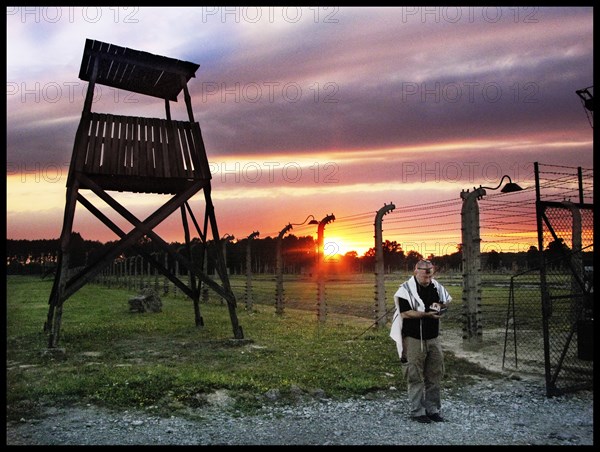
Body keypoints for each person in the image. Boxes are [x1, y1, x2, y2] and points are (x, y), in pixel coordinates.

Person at [389, 259, 452, 424]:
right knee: (415, 374)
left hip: (433, 337)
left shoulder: (436, 287)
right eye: (424, 272)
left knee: (435, 373)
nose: (427, 276)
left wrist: (440, 308)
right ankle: (418, 411)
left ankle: (433, 410)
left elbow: (445, 302)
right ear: (416, 271)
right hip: (414, 338)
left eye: (430, 272)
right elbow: (405, 313)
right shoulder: (405, 290)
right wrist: (426, 314)